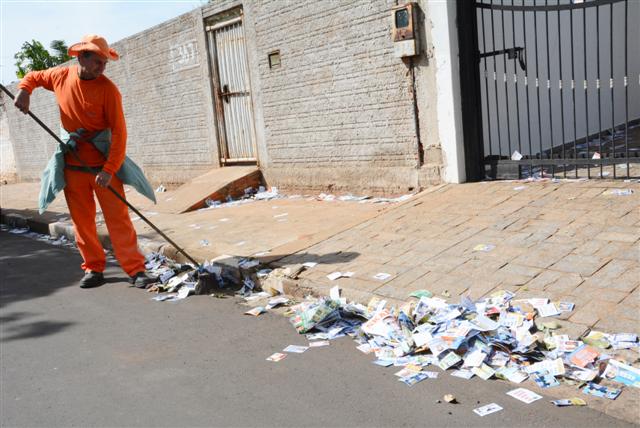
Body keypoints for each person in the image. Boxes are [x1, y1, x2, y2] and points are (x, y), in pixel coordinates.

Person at [14, 34, 156, 289]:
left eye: (105, 63)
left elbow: (119, 133)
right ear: (81, 57)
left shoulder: (108, 90)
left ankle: (136, 270)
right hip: (73, 165)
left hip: (102, 166)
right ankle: (94, 268)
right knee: (82, 221)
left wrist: (109, 169)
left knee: (118, 219)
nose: (102, 67)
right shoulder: (60, 76)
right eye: (98, 62)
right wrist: (24, 92)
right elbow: (33, 76)